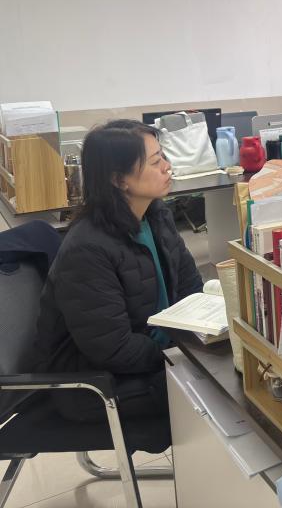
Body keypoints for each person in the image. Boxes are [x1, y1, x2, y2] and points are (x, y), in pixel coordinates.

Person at [33, 120, 204, 423]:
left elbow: (191, 288)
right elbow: (113, 349)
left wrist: (202, 333)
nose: (167, 167)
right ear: (118, 179)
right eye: (155, 161)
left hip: (151, 353)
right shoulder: (87, 248)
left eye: (163, 156)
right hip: (96, 384)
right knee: (211, 398)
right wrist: (180, 353)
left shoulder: (156, 215)